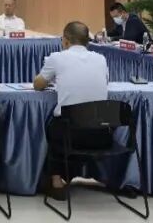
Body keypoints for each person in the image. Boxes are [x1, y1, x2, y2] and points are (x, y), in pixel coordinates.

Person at [32, 21, 110, 201]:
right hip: (102, 134)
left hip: (70, 134)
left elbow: (38, 85)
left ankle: (56, 182)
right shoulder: (101, 59)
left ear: (65, 40)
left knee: (52, 126)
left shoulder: (57, 58)